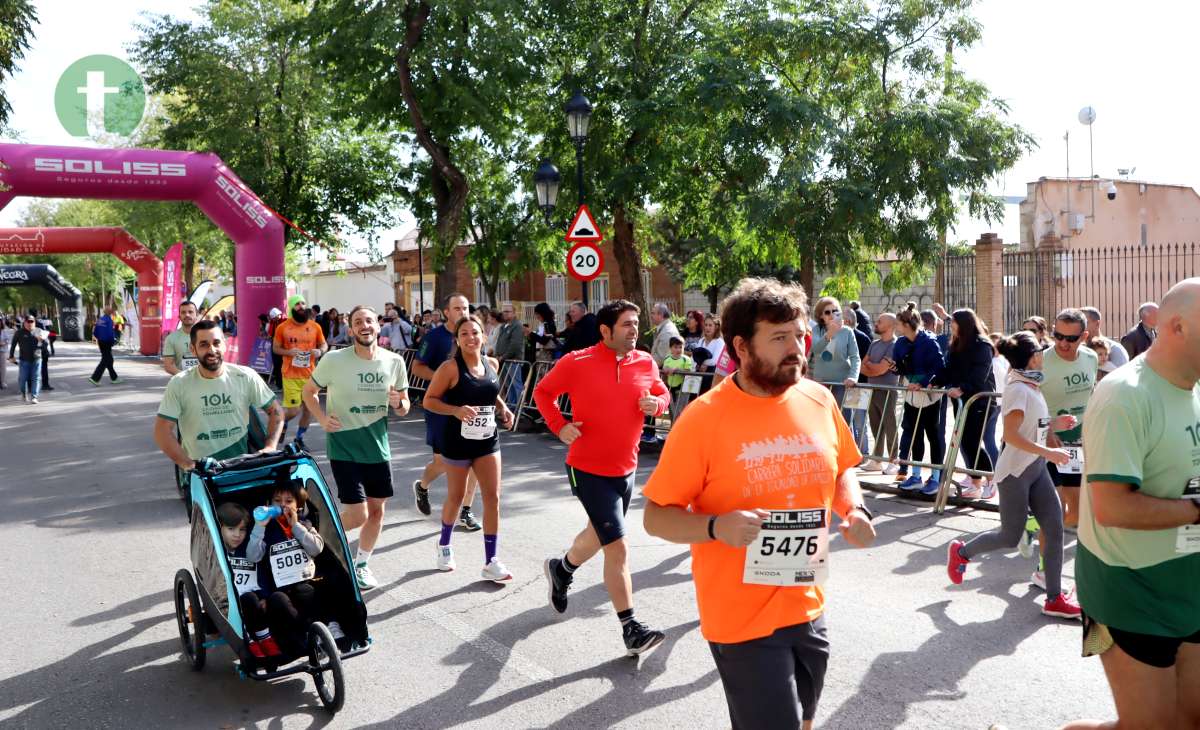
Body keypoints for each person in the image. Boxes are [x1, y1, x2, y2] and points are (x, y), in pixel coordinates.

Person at [642, 277, 876, 730]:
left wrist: (856, 510)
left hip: (808, 604)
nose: (798, 349)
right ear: (741, 347)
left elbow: (843, 466)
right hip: (741, 619)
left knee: (806, 720)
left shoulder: (818, 398)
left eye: (799, 335)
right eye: (780, 338)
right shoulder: (704, 418)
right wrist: (715, 527)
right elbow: (655, 517)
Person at [1063, 278, 1200, 730]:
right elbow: (1112, 508)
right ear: (1177, 327)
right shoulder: (1125, 394)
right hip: (1126, 591)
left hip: (1188, 582)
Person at [534, 299, 670, 656]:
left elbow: (662, 393)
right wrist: (559, 426)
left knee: (600, 533)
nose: (633, 330)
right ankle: (631, 628)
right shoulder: (575, 362)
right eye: (626, 324)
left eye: (636, 323)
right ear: (605, 331)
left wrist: (658, 405)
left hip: (626, 468)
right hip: (587, 468)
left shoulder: (645, 361)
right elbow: (543, 393)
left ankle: (561, 569)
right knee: (618, 545)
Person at [945, 331, 1082, 619]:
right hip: (1015, 473)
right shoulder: (1019, 389)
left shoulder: (1030, 384)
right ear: (1033, 357)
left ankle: (1054, 598)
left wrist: (1053, 424)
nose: (1044, 355)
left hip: (1035, 468)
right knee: (1010, 536)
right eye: (1040, 352)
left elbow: (1033, 425)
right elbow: (1011, 436)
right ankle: (962, 552)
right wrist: (1049, 453)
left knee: (1054, 527)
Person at [302, 305, 410, 591]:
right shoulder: (334, 360)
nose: (365, 325)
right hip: (344, 445)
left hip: (377, 447)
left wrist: (398, 402)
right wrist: (322, 419)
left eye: (370, 321)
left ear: (378, 326)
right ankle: (315, 538)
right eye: (358, 322)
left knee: (377, 512)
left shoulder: (394, 361)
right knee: (358, 514)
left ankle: (361, 564)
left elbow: (403, 407)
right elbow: (308, 391)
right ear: (350, 329)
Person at [421, 314, 515, 582]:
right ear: (457, 340)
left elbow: (488, 392)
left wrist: (503, 407)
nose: (471, 338)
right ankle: (444, 545)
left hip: (487, 440)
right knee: (456, 496)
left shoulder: (492, 363)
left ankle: (491, 560)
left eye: (475, 332)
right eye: (464, 334)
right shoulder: (450, 368)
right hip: (457, 442)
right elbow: (429, 401)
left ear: (484, 336)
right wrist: (455, 410)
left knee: (493, 498)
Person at [154, 320, 284, 468]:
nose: (212, 350)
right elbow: (162, 431)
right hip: (201, 474)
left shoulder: (246, 376)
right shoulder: (179, 383)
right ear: (193, 349)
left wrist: (270, 447)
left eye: (216, 343)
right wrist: (188, 465)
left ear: (224, 344)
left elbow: (276, 412)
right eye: (204, 344)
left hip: (241, 468)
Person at [411, 293, 482, 532]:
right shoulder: (435, 337)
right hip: (441, 408)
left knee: (474, 462)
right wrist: (444, 378)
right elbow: (417, 367)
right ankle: (423, 485)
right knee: (442, 463)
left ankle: (466, 510)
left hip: (470, 411)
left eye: (465, 307)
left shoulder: (473, 334)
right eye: (457, 308)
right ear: (447, 312)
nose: (463, 311)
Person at [1040, 308, 1098, 529]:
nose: (1063, 343)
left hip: (1077, 441)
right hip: (1048, 440)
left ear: (1084, 337)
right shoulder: (1040, 361)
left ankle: (1031, 528)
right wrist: (1048, 430)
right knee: (1058, 508)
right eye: (1058, 336)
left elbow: (1090, 394)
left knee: (1076, 513)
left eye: (1071, 338)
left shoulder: (1091, 358)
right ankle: (1041, 541)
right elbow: (1027, 403)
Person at [931, 309, 997, 500]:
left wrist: (963, 388)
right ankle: (975, 483)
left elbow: (980, 374)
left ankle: (991, 480)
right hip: (961, 401)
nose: (951, 327)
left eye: (954, 323)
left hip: (979, 401)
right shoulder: (957, 343)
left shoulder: (982, 345)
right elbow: (949, 369)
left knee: (972, 442)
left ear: (965, 324)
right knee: (965, 442)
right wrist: (933, 381)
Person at [891, 302, 946, 495]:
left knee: (933, 435)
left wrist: (922, 383)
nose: (896, 328)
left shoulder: (929, 341)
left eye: (898, 324)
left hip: (929, 395)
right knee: (915, 433)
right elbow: (900, 365)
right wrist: (897, 369)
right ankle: (915, 476)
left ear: (906, 325)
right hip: (911, 394)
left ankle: (936, 478)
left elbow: (939, 368)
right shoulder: (900, 343)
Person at [217, 502, 281, 659]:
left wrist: (265, 595)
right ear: (220, 528)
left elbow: (260, 574)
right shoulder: (217, 551)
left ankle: (264, 637)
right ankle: (248, 638)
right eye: (231, 529)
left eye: (242, 530)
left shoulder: (247, 547)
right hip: (228, 603)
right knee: (242, 600)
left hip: (252, 600)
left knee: (251, 599)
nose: (237, 535)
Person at [272, 295, 328, 450]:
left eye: (303, 303)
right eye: (297, 304)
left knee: (308, 410)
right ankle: (283, 422)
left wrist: (320, 351)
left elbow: (324, 345)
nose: (301, 306)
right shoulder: (282, 327)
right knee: (294, 410)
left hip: (310, 375)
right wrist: (289, 352)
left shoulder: (315, 326)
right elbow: (275, 348)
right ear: (291, 307)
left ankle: (299, 439)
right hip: (290, 374)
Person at [807, 296, 861, 435]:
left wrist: (853, 377)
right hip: (821, 383)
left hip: (842, 384)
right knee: (822, 422)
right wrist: (829, 334)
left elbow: (855, 357)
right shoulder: (817, 330)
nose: (831, 315)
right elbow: (817, 350)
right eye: (827, 312)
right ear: (820, 316)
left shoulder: (847, 331)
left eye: (834, 311)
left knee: (843, 423)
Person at [860, 312, 900, 474]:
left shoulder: (894, 345)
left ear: (890, 325)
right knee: (875, 426)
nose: (876, 324)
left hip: (888, 390)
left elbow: (880, 369)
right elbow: (863, 366)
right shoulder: (874, 344)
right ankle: (877, 460)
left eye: (880, 322)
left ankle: (893, 460)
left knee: (890, 426)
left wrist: (871, 367)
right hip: (872, 389)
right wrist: (872, 368)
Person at [492, 302, 527, 411]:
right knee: (509, 385)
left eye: (508, 311)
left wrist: (503, 356)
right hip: (504, 360)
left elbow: (515, 345)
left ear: (514, 313)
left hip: (513, 360)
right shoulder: (503, 326)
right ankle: (512, 408)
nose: (505, 314)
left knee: (516, 385)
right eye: (503, 311)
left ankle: (520, 409)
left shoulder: (517, 326)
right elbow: (500, 343)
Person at [8, 315, 46, 403]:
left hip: (37, 359)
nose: (30, 324)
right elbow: (13, 345)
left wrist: (41, 340)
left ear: (34, 322)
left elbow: (45, 346)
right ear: (24, 323)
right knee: (22, 379)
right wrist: (11, 356)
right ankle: (23, 393)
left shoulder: (39, 331)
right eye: (28, 322)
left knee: (36, 378)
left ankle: (34, 397)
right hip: (24, 360)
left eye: (31, 322)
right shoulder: (19, 332)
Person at [162, 301, 202, 375]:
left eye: (190, 312)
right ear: (179, 316)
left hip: (204, 382)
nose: (187, 315)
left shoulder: (206, 336)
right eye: (183, 312)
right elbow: (168, 365)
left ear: (197, 315)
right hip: (181, 383)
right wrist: (184, 377)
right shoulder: (171, 338)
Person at [661, 336, 695, 418]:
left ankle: (679, 428)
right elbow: (664, 369)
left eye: (680, 347)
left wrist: (678, 370)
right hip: (670, 388)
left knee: (680, 411)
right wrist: (666, 369)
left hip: (682, 389)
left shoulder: (686, 359)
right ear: (670, 348)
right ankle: (673, 428)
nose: (678, 350)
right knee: (672, 411)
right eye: (675, 347)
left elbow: (689, 371)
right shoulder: (667, 359)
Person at [88, 306, 121, 386]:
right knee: (105, 360)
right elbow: (110, 332)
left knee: (109, 359)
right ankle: (95, 378)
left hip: (101, 341)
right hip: (107, 342)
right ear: (110, 312)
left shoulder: (100, 320)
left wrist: (99, 338)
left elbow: (95, 332)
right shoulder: (109, 320)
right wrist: (112, 341)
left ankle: (114, 378)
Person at [649, 302, 681, 367]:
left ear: (661, 315)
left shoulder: (667, 332)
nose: (651, 316)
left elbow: (660, 359)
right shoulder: (664, 328)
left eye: (653, 313)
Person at [0, 316, 11, 390]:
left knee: (3, 368)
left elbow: (8, 340)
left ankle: (2, 382)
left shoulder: (4, 331)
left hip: (2, 351)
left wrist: (3, 343)